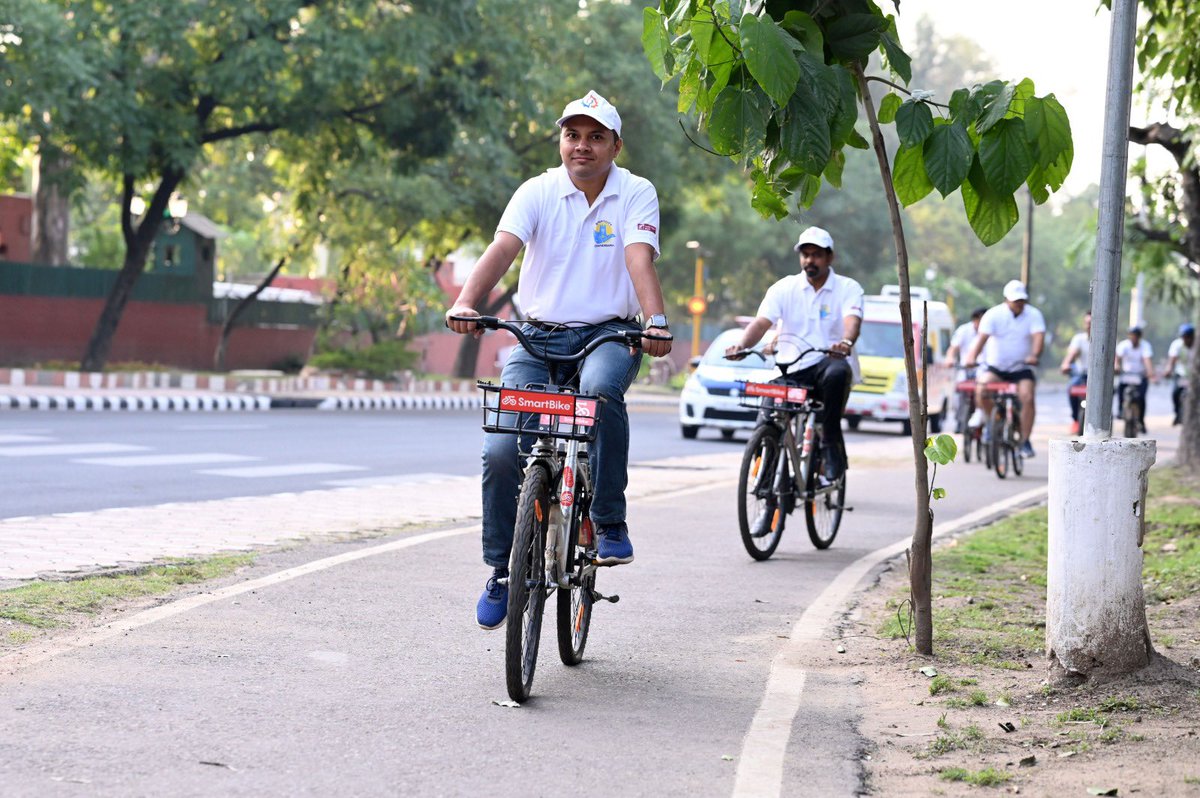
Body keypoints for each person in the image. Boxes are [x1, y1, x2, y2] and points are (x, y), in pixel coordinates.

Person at [445, 90, 672, 630]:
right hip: (536, 338)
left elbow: (638, 257)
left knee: (598, 394)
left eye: (596, 137)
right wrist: (465, 301)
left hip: (608, 335)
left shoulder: (635, 193)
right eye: (573, 135)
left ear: (616, 145)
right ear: (561, 141)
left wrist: (655, 320)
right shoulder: (537, 191)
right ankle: (501, 571)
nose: (582, 147)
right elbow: (502, 249)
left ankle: (609, 520)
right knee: (501, 450)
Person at [725, 226, 863, 482]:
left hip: (828, 367)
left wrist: (845, 342)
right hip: (790, 368)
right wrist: (741, 346)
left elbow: (852, 321)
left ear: (829, 257)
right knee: (768, 416)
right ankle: (765, 479)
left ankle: (831, 445)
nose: (810, 260)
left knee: (837, 373)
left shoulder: (848, 288)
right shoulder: (784, 288)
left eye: (817, 254)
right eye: (805, 254)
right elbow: (761, 323)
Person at [964, 280, 1045, 458]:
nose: (1019, 304)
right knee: (981, 389)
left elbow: (1038, 337)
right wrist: (971, 357)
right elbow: (981, 340)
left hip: (1021, 368)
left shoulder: (1033, 315)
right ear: (1006, 299)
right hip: (996, 369)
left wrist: (1034, 355)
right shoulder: (993, 315)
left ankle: (1025, 440)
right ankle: (994, 421)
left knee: (1028, 396)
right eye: (1015, 301)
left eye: (1022, 300)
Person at [944, 307, 987, 433]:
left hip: (984, 369)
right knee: (959, 392)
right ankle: (960, 419)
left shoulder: (992, 332)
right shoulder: (964, 330)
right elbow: (953, 348)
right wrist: (950, 358)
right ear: (975, 320)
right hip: (966, 369)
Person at [1115, 325, 1155, 431]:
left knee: (1141, 398)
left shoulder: (1145, 346)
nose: (1134, 338)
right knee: (1120, 392)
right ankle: (1120, 410)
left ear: (1139, 337)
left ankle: (1141, 420)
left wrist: (1150, 372)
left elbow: (1147, 360)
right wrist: (1117, 366)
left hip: (1140, 376)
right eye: (1132, 335)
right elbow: (1117, 359)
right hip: (1126, 375)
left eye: (1136, 336)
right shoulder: (1123, 345)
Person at [1059, 311, 1091, 434]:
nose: (1089, 325)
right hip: (1081, 374)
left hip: (1099, 378)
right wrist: (1066, 364)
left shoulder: (1105, 339)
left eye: (1092, 323)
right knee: (1072, 388)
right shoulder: (1079, 339)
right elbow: (1072, 354)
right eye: (1087, 323)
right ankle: (1075, 420)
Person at [1162, 322, 1195, 425]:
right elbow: (1171, 361)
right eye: (1184, 337)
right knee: (1175, 393)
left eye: (1188, 337)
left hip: (1194, 376)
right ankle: (1177, 413)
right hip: (1181, 375)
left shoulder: (1197, 346)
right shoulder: (1177, 344)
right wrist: (1168, 370)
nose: (1186, 340)